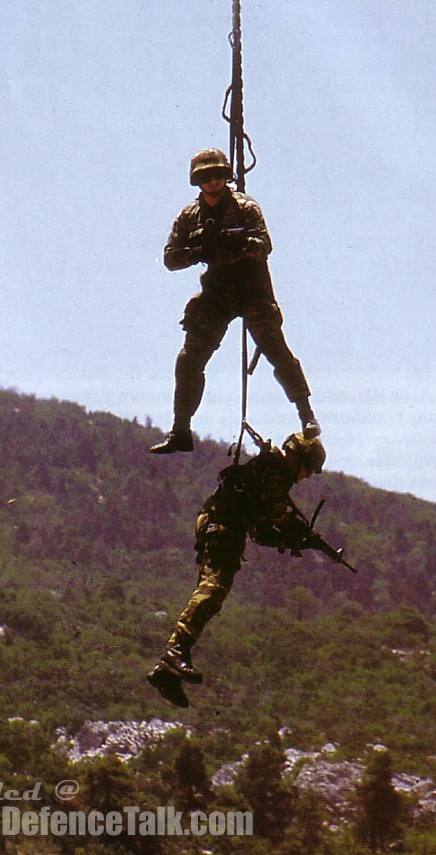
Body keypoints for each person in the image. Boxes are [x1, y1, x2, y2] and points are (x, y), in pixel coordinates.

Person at [150, 149, 320, 454]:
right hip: (218, 293)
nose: (214, 181)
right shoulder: (190, 216)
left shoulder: (245, 207)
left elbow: (264, 244)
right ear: (197, 181)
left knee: (276, 351)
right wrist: (201, 250)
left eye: (219, 175)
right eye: (206, 177)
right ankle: (180, 430)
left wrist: (238, 245)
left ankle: (307, 415)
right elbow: (170, 258)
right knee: (189, 360)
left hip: (252, 288)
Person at [147, 432, 326, 707]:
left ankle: (167, 671)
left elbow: (261, 530)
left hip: (224, 523)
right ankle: (175, 652)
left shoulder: (272, 474)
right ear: (297, 457)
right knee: (213, 587)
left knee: (213, 593)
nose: (307, 476)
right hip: (222, 522)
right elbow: (275, 511)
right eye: (308, 469)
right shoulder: (275, 469)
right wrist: (295, 531)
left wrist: (287, 538)